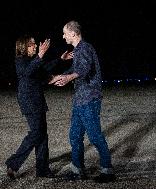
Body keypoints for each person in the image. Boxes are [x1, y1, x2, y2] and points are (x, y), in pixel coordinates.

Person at [49, 20, 116, 183]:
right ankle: (77, 170)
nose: (63, 36)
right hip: (80, 99)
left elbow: (83, 70)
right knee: (75, 135)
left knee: (95, 136)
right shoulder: (78, 50)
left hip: (89, 99)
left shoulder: (85, 48)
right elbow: (75, 69)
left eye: (65, 33)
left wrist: (68, 78)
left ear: (73, 33)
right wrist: (59, 76)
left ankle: (107, 171)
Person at [5, 34, 73, 179]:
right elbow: (28, 72)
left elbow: (44, 70)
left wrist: (60, 59)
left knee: (42, 136)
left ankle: (42, 170)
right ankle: (13, 162)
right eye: (32, 44)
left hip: (37, 101)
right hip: (29, 102)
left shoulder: (32, 60)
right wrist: (40, 55)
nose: (35, 46)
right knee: (37, 133)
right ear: (23, 47)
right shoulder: (21, 60)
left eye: (35, 44)